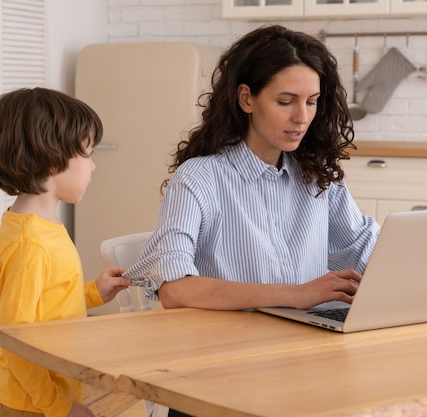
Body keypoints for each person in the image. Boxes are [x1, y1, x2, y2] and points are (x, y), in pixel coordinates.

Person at [127, 24, 380, 316]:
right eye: (285, 102)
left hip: (303, 339)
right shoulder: (199, 178)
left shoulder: (317, 175)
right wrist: (296, 295)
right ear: (246, 98)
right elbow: (174, 289)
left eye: (311, 102)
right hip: (230, 345)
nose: (302, 117)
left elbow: (364, 249)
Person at [0, 87, 131, 417]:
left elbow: (45, 305)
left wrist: (91, 293)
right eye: (87, 155)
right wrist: (59, 407)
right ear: (51, 158)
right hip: (24, 406)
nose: (93, 167)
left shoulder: (41, 227)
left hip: (38, 400)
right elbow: (14, 341)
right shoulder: (29, 245)